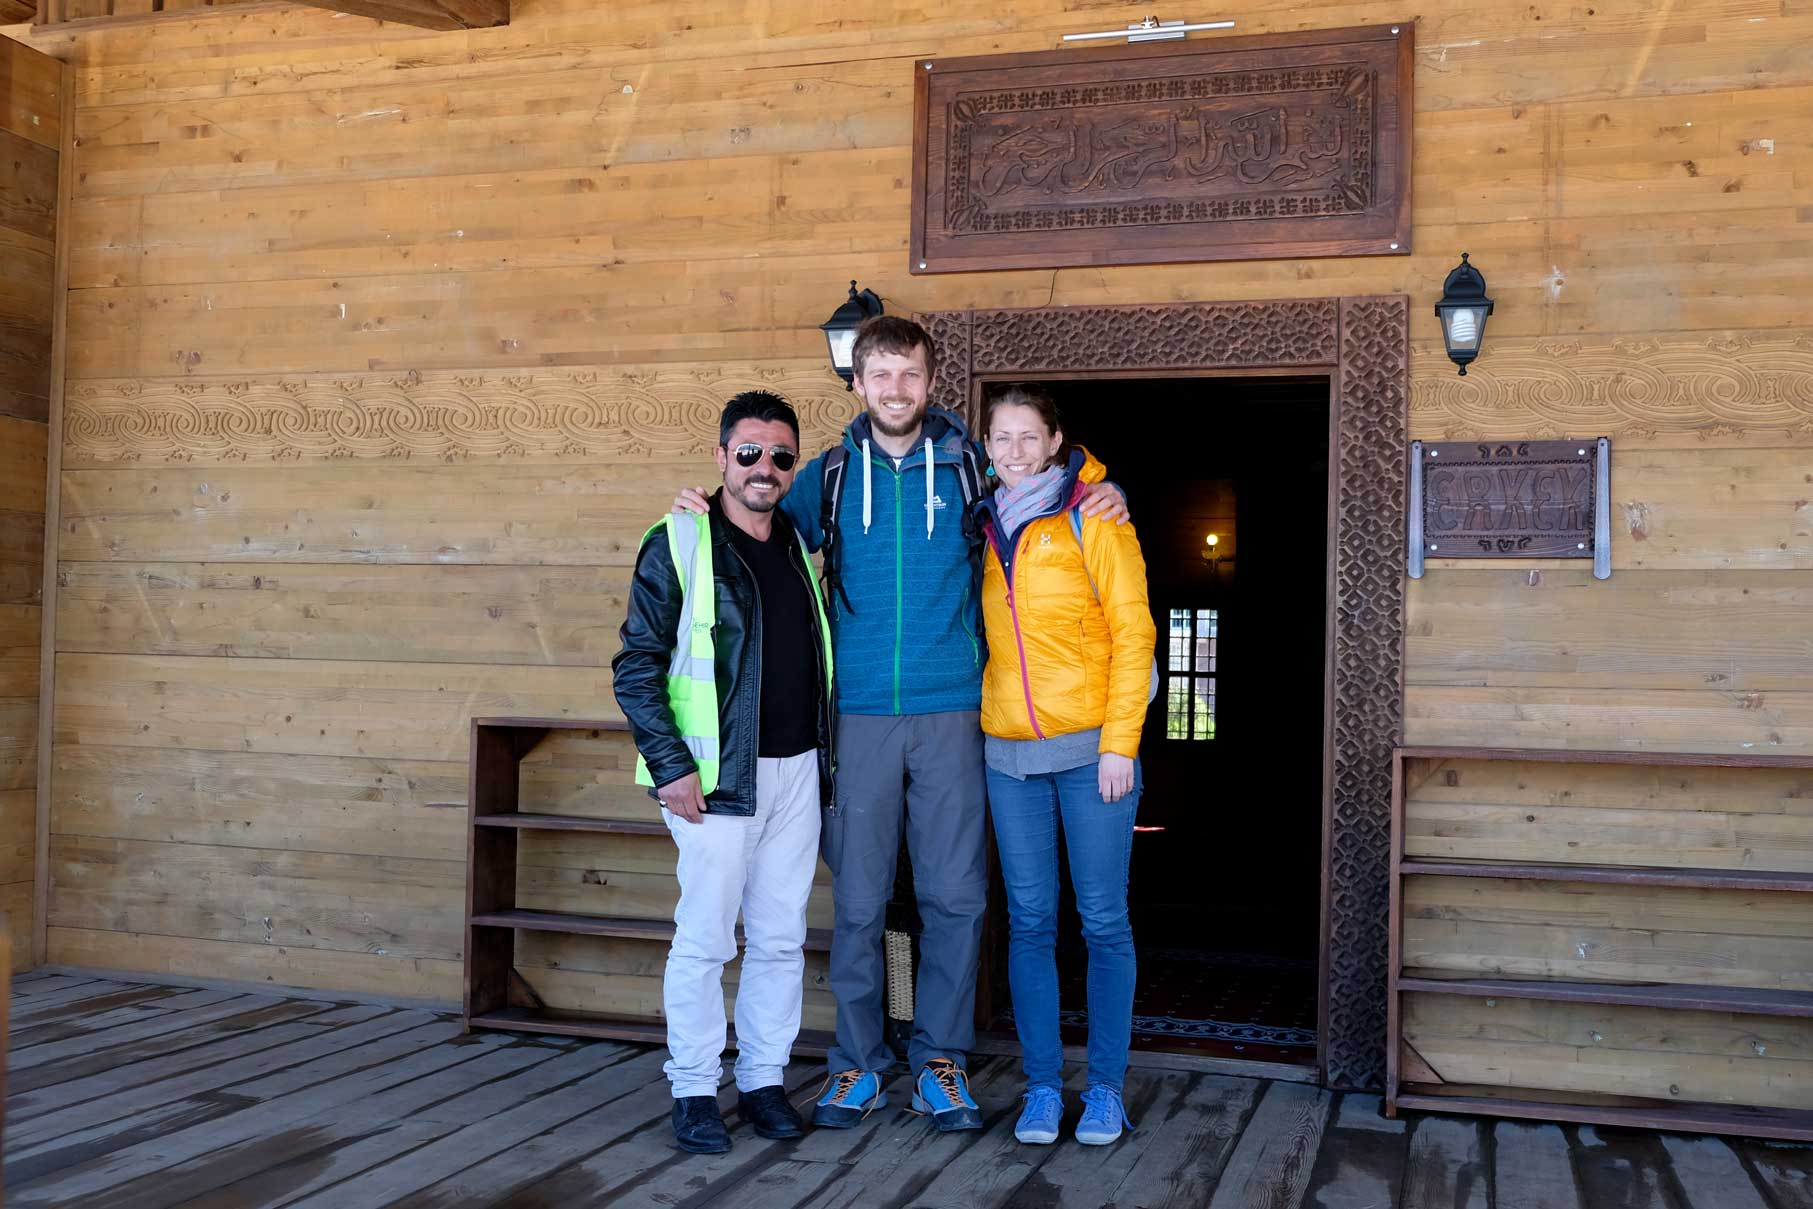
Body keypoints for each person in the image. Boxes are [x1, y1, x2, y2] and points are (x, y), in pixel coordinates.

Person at [673, 316, 1128, 1133]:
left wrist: (1104, 482)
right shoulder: (829, 475)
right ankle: (857, 1063)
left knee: (956, 895)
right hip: (853, 718)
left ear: (928, 381)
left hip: (955, 708)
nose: (894, 389)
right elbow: (757, 522)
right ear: (858, 382)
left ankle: (940, 1061)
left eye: (909, 375)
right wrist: (698, 512)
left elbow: (1044, 470)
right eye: (880, 374)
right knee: (858, 898)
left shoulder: (967, 465)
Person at [612, 391, 837, 1155]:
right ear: (719, 458)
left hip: (796, 769)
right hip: (713, 781)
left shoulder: (797, 544)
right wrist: (671, 765)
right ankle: (694, 1088)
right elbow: (635, 665)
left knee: (778, 938)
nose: (763, 468)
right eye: (748, 453)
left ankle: (765, 1079)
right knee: (706, 940)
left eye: (779, 455)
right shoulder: (677, 540)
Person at [973, 382, 1156, 1147]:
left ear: (1054, 441)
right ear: (985, 446)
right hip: (1008, 757)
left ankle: (1105, 1088)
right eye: (1000, 438)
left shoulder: (1094, 516)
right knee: (1029, 922)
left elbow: (1134, 630)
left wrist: (1119, 744)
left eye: (1027, 436)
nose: (1014, 451)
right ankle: (1043, 1087)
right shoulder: (978, 523)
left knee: (1103, 920)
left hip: (1091, 757)